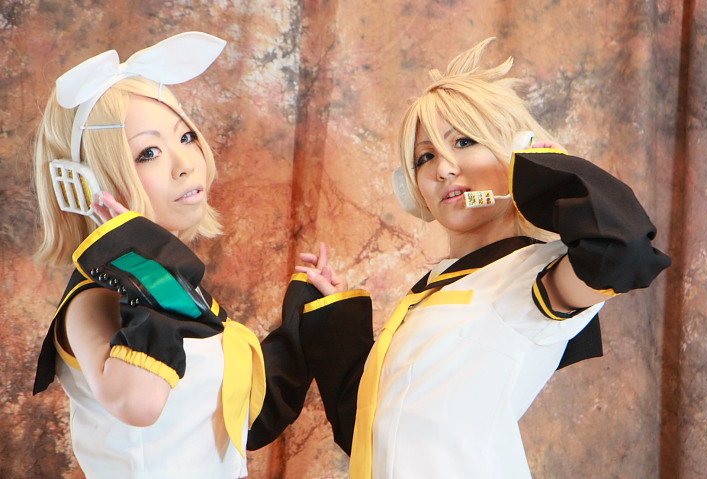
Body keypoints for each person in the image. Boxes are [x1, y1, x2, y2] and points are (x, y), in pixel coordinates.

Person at [296, 37, 672, 478]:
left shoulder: (538, 275)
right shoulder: (432, 290)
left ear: (512, 153)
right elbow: (364, 428)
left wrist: (541, 173)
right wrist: (337, 318)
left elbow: (623, 252)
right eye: (425, 157)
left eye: (464, 141)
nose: (443, 168)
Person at [30, 31, 375, 479]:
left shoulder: (169, 286)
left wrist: (309, 318)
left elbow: (245, 417)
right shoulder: (94, 300)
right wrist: (140, 256)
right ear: (90, 184)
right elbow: (139, 401)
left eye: (186, 137)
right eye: (149, 152)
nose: (185, 163)